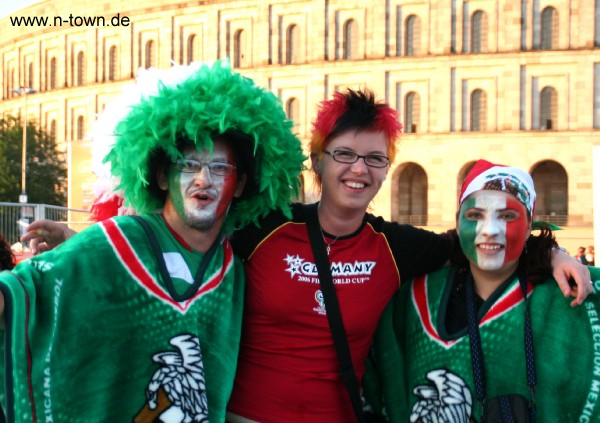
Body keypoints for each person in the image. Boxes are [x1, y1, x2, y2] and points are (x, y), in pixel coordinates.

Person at [22, 91, 592, 422]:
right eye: (343, 154)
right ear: (316, 162)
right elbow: (170, 237)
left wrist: (554, 251)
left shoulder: (398, 247)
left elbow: (480, 244)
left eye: (373, 159)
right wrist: (76, 248)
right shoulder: (262, 227)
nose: (357, 170)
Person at [0, 60, 304, 422]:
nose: (203, 180)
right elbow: (20, 294)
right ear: (162, 176)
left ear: (239, 185)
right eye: (188, 165)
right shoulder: (115, 240)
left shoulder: (233, 269)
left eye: (220, 168)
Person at [364, 160, 600, 422]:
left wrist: (553, 253)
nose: (490, 230)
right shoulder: (414, 294)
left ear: (529, 223)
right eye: (475, 215)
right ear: (458, 220)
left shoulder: (565, 292)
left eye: (508, 216)